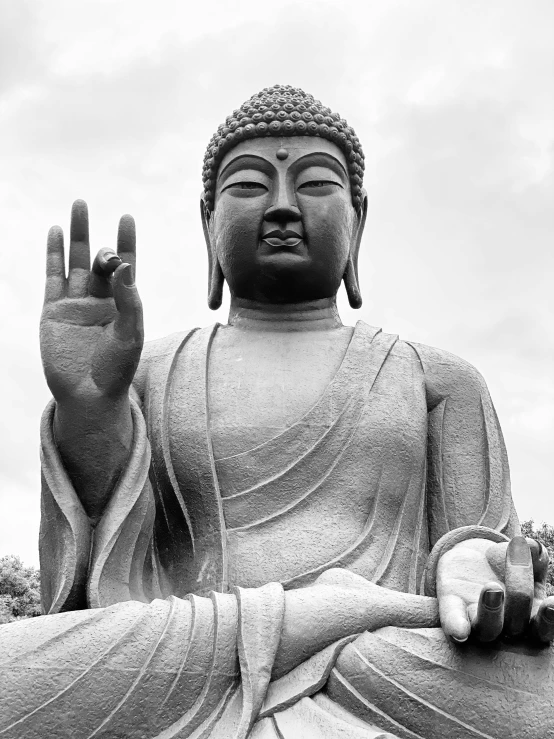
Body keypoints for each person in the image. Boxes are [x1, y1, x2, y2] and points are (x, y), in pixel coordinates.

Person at [2, 85, 553, 738]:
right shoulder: (149, 369)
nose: (284, 206)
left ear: (360, 218)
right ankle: (327, 616)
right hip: (188, 648)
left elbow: (484, 552)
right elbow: (107, 572)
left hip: (386, 657)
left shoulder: (438, 378)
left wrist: (474, 568)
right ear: (208, 222)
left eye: (316, 183)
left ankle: (339, 620)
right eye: (250, 186)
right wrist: (89, 411)